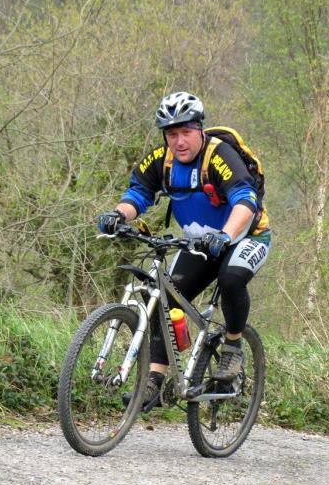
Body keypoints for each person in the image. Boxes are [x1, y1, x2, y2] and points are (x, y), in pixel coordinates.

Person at [98, 91, 271, 409]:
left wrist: (225, 235)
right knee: (161, 296)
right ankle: (156, 381)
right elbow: (138, 193)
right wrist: (118, 214)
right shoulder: (161, 160)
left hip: (246, 237)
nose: (179, 141)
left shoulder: (219, 156)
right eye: (172, 134)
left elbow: (245, 200)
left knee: (232, 278)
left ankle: (233, 347)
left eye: (186, 132)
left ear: (200, 129)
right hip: (197, 243)